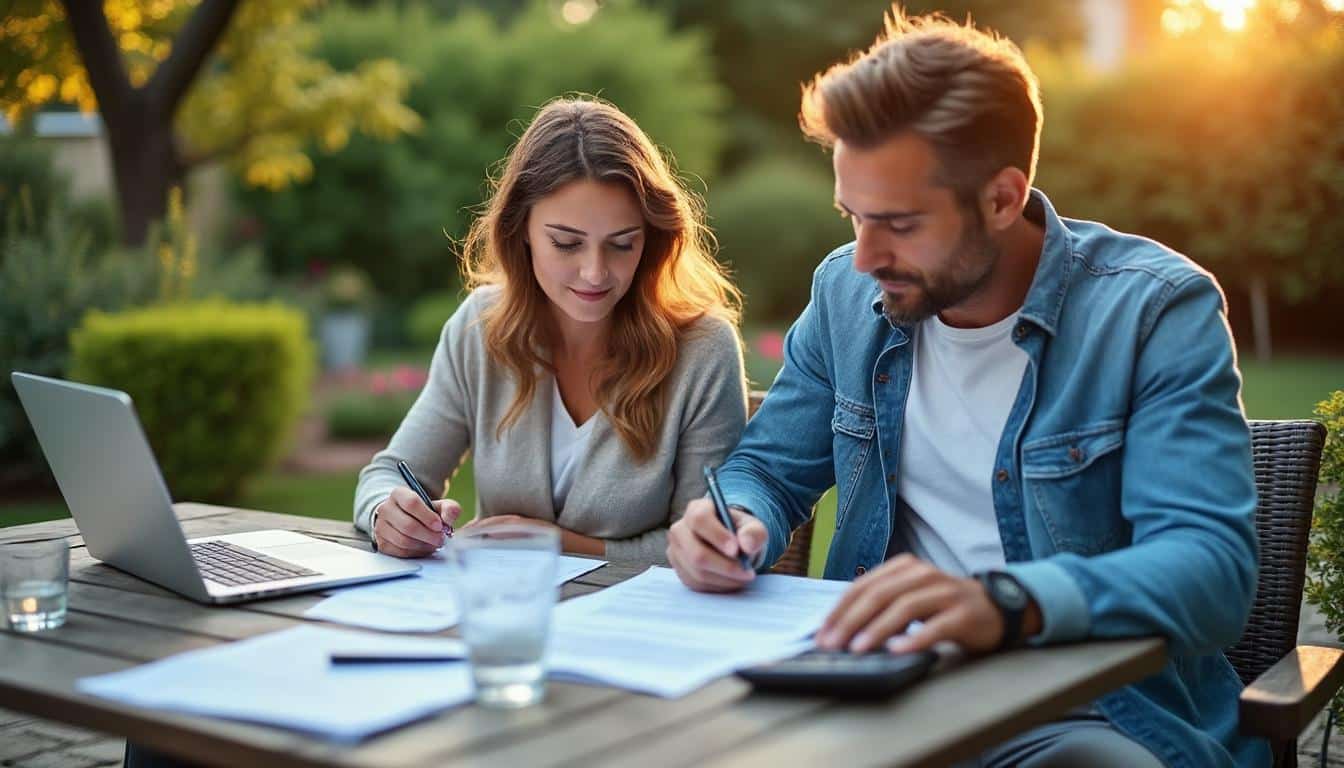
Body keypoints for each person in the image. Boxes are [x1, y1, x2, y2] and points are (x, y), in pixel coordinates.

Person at [667, 9, 1266, 767]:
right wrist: (734, 520)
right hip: (871, 690)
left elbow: (1211, 571)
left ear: (1002, 198)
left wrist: (1004, 604)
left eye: (899, 224)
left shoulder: (1153, 312)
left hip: (1083, 714)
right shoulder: (847, 297)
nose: (864, 257)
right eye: (852, 217)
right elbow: (769, 470)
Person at [354, 96, 747, 564]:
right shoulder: (481, 328)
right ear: (521, 229)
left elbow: (708, 543)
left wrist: (556, 543)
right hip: (509, 619)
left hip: (641, 628)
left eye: (622, 244)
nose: (595, 273)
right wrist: (388, 513)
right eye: (566, 243)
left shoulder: (702, 351)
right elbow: (387, 475)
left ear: (652, 238)